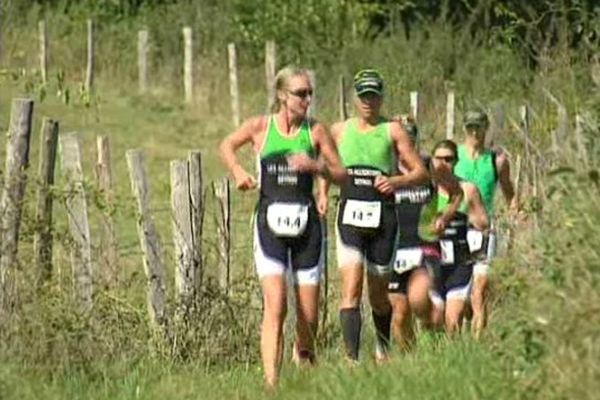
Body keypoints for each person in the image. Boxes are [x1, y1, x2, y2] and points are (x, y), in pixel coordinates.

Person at [219, 66, 346, 388]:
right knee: (276, 305)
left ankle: (302, 355)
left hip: (307, 229)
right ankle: (271, 385)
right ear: (281, 95)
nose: (307, 99)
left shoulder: (315, 131)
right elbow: (226, 145)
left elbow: (342, 174)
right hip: (269, 225)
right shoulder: (260, 127)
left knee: (309, 316)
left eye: (309, 93)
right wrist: (237, 171)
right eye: (300, 93)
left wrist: (315, 166)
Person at [319, 70, 429, 362]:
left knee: (378, 295)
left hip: (383, 218)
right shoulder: (339, 130)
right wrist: (321, 193)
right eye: (363, 95)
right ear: (355, 98)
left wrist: (395, 182)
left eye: (374, 95)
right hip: (349, 215)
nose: (368, 101)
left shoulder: (393, 130)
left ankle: (382, 348)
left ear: (381, 97)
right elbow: (324, 166)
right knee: (351, 288)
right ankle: (352, 360)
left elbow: (420, 172)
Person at [388, 117, 464, 350]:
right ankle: (410, 360)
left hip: (425, 246)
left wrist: (444, 217)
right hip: (395, 249)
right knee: (400, 314)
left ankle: (435, 328)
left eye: (410, 138)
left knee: (419, 299)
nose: (405, 144)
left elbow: (457, 193)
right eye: (401, 139)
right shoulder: (385, 170)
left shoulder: (430, 165)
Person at [453, 109, 517, 338]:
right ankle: (457, 344)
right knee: (461, 293)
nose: (474, 132)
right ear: (464, 129)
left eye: (478, 127)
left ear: (486, 128)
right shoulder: (454, 156)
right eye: (470, 127)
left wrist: (514, 214)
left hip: (483, 231)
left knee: (479, 290)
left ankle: (477, 343)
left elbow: (510, 192)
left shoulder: (496, 160)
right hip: (456, 229)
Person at [429, 140, 489, 334]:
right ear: (432, 160)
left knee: (452, 322)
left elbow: (483, 224)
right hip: (431, 264)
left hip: (459, 263)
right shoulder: (426, 190)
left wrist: (475, 223)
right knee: (434, 322)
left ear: (456, 162)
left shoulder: (468, 190)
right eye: (439, 159)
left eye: (448, 159)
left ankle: (452, 356)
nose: (443, 163)